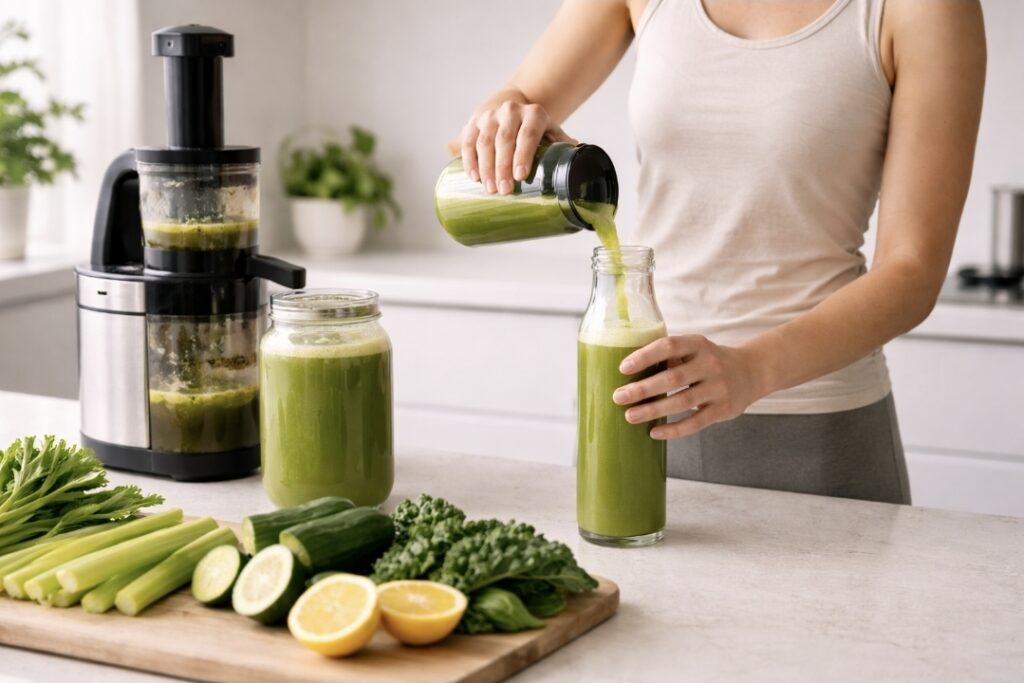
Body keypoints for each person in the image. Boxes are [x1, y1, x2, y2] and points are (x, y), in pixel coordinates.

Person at [451, 0, 986, 504]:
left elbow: (912, 270)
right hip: (639, 405)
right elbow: (520, 97)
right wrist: (505, 120)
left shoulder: (923, 10)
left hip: (816, 426)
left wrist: (750, 370)